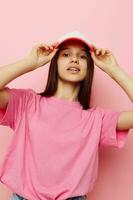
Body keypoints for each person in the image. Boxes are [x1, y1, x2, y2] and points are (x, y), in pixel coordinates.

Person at [0, 31, 132, 200]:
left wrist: (114, 70)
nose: (74, 59)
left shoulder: (97, 119)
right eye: (66, 54)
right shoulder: (27, 103)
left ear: (89, 67)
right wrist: (28, 63)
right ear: (55, 62)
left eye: (83, 57)